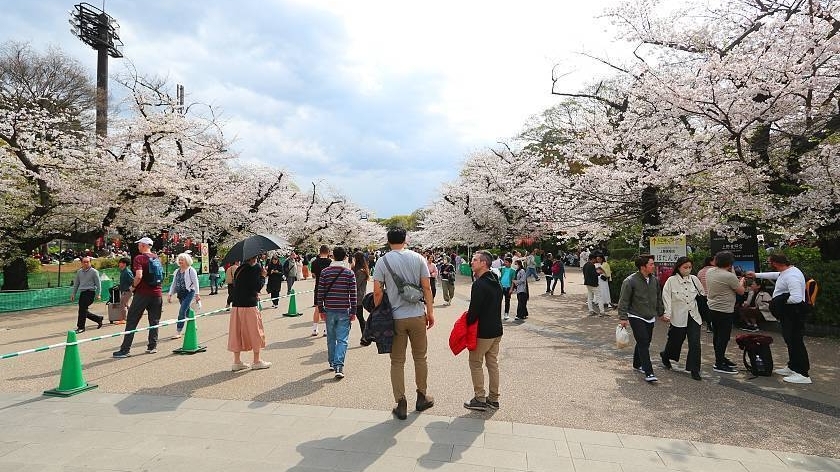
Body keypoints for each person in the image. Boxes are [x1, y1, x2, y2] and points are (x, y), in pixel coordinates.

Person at [373, 227, 435, 420]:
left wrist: (379, 312)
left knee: (397, 361)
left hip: (395, 318)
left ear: (388, 240)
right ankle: (422, 396)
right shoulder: (418, 258)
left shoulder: (382, 261)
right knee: (420, 358)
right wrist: (430, 312)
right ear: (406, 239)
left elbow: (377, 292)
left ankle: (400, 402)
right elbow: (427, 287)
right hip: (417, 314)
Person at [750, 253, 812, 384]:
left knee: (796, 341)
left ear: (775, 263)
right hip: (789, 313)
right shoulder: (788, 271)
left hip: (793, 313)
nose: (770, 265)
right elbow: (776, 275)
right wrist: (756, 275)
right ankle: (792, 366)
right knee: (790, 340)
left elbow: (796, 298)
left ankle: (803, 373)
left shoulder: (792, 276)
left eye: (770, 263)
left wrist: (777, 302)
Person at [463, 250, 503, 411]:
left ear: (484, 263)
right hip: (496, 329)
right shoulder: (496, 281)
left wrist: (466, 322)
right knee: (493, 364)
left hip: (483, 331)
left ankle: (479, 398)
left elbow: (474, 311)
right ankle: (493, 399)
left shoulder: (479, 284)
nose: (471, 262)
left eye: (475, 260)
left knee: (475, 362)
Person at [113, 237, 164, 358]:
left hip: (142, 294)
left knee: (132, 320)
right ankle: (152, 346)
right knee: (154, 320)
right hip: (157, 293)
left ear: (144, 245)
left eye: (139, 244)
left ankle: (125, 350)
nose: (138, 246)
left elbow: (139, 276)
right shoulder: (156, 258)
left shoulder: (139, 258)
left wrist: (132, 287)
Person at [618, 255, 665, 382]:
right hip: (635, 315)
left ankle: (636, 363)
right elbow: (623, 301)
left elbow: (658, 298)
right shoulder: (630, 281)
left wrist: (661, 313)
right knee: (644, 341)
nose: (653, 266)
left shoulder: (654, 280)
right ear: (642, 267)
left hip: (650, 316)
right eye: (651, 264)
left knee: (644, 341)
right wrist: (623, 317)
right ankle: (648, 372)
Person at [660, 257, 704, 381]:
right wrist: (667, 314)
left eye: (690, 267)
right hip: (678, 316)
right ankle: (666, 355)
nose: (688, 270)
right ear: (678, 267)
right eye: (685, 267)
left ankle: (694, 369)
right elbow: (666, 298)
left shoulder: (694, 279)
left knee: (695, 342)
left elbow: (702, 293)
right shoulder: (671, 280)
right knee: (676, 340)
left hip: (694, 315)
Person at [316, 247, 357, 379]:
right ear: (345, 257)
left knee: (331, 337)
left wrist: (321, 309)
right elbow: (353, 294)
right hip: (344, 308)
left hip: (329, 308)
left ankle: (332, 362)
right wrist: (353, 310)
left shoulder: (325, 272)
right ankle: (339, 365)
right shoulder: (349, 273)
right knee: (342, 339)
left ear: (332, 256)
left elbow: (320, 291)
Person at [705, 251, 746, 374]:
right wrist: (742, 281)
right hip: (725, 310)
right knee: (723, 337)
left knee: (717, 335)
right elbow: (741, 291)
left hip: (712, 308)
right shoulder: (729, 277)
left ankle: (720, 358)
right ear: (730, 264)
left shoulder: (710, 271)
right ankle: (719, 363)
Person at [228, 256, 271, 371]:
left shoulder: (239, 268)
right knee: (255, 332)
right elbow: (257, 286)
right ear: (254, 258)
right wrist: (263, 276)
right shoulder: (256, 268)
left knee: (236, 332)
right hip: (249, 305)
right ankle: (256, 361)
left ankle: (237, 361)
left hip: (237, 305)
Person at [167, 253, 201, 338]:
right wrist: (170, 294)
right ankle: (193, 323)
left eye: (182, 260)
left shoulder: (191, 270)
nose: (180, 261)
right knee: (187, 310)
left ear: (187, 261)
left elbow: (196, 283)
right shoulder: (177, 271)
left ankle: (178, 331)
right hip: (180, 293)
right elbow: (174, 283)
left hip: (189, 292)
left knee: (182, 311)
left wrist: (197, 294)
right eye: (179, 259)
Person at [70, 257, 104, 333]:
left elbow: (98, 284)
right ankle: (98, 318)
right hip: (83, 293)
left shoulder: (94, 272)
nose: (86, 263)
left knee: (82, 310)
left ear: (90, 262)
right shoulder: (79, 272)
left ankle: (81, 327)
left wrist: (98, 294)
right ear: (81, 263)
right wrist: (73, 294)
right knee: (83, 310)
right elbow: (76, 284)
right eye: (84, 262)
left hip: (90, 293)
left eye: (87, 262)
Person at [310, 245, 333, 336]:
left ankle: (315, 329)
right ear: (328, 252)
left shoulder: (314, 262)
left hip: (318, 286)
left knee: (317, 308)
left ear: (319, 252)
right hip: (328, 287)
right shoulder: (330, 262)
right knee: (327, 308)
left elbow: (313, 274)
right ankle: (326, 330)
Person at [352, 251, 370, 340]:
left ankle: (366, 334)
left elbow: (355, 285)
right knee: (359, 317)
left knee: (360, 317)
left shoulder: (360, 271)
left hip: (357, 297)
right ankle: (365, 334)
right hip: (359, 296)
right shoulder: (362, 270)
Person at [116, 257, 134, 325]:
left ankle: (123, 319)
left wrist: (130, 289)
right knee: (126, 304)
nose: (119, 264)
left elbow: (132, 281)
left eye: (120, 262)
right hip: (124, 290)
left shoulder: (127, 272)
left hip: (127, 291)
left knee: (122, 304)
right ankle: (135, 315)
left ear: (124, 264)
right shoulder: (123, 271)